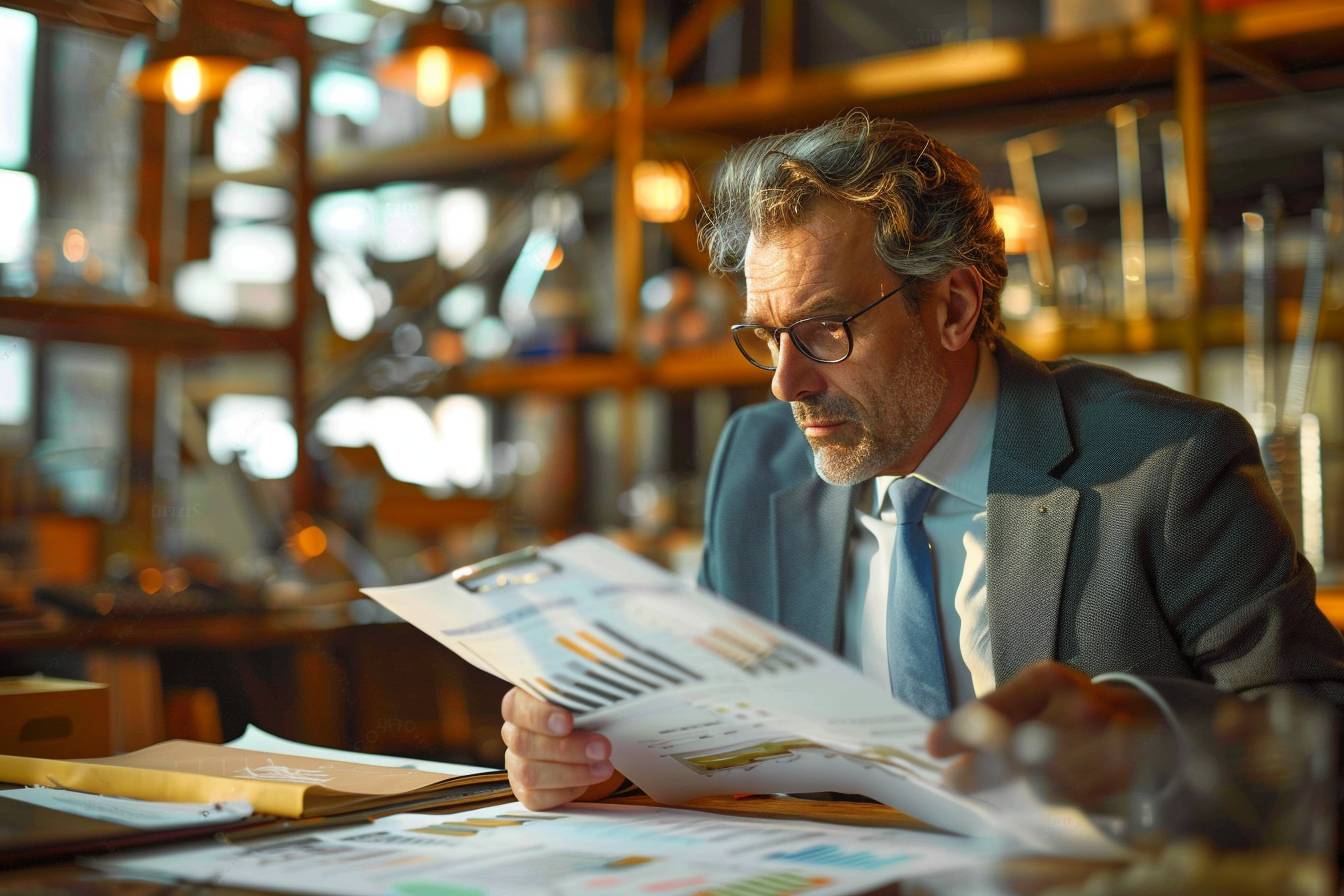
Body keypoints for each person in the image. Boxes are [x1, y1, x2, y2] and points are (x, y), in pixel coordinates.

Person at [499, 111, 1344, 814]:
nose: (787, 382)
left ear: (953, 306)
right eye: (767, 335)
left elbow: (1317, 742)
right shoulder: (758, 462)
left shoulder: (1162, 465)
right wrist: (606, 758)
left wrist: (1145, 738)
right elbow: (721, 729)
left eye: (827, 328)